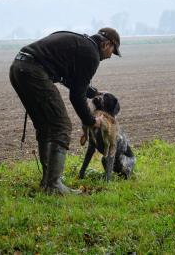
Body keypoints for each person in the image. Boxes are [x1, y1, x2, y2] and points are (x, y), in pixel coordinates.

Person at [9, 27, 121, 195]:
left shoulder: (82, 44)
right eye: (113, 50)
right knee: (61, 126)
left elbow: (73, 80)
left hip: (19, 67)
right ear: (106, 44)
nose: (111, 55)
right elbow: (76, 96)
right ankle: (53, 186)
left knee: (45, 126)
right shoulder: (92, 54)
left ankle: (47, 182)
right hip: (34, 71)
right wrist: (91, 121)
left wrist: (94, 92)